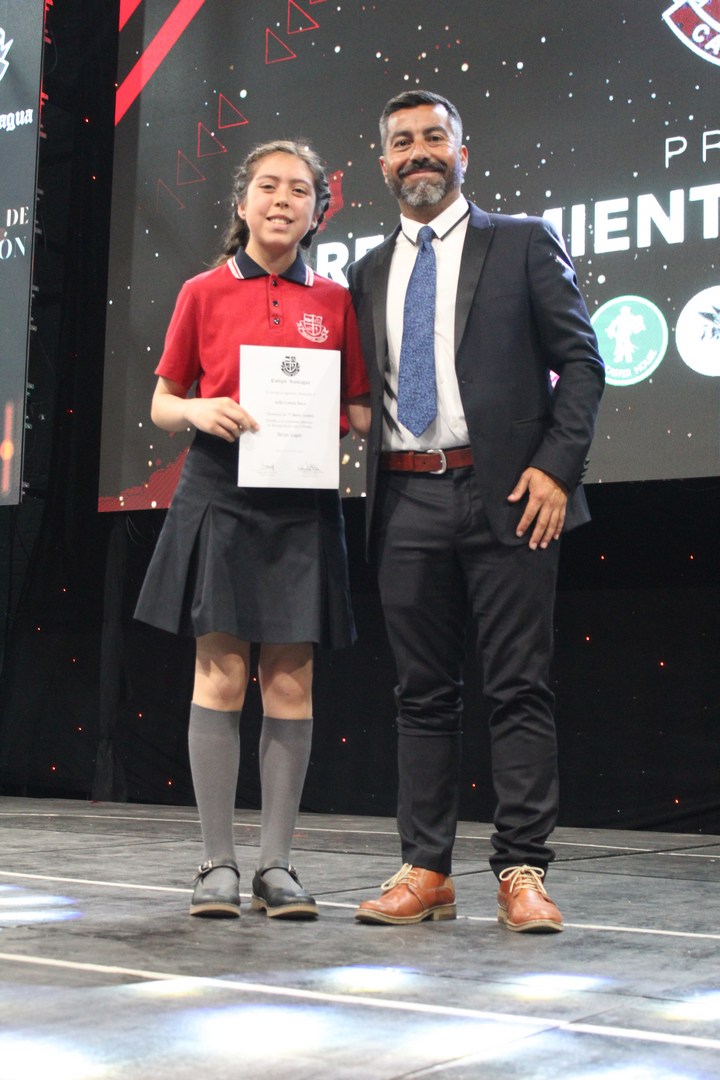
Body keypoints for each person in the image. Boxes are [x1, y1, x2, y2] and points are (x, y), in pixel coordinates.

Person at [347, 91, 604, 931]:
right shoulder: (365, 272)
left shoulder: (522, 240)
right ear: (383, 163)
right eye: (402, 142)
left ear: (463, 153)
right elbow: (361, 394)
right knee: (421, 695)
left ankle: (522, 869)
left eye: (434, 138)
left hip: (510, 496)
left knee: (518, 687)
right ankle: (426, 869)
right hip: (404, 496)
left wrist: (557, 470)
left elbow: (582, 362)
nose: (418, 152)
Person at [135, 140, 370, 920]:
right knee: (222, 676)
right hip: (221, 492)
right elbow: (163, 403)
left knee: (291, 681)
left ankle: (276, 866)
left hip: (302, 500)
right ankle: (216, 865)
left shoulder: (336, 301)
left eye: (300, 190)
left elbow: (358, 409)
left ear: (316, 211)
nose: (282, 200)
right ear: (242, 204)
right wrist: (198, 409)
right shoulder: (201, 291)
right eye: (268, 186)